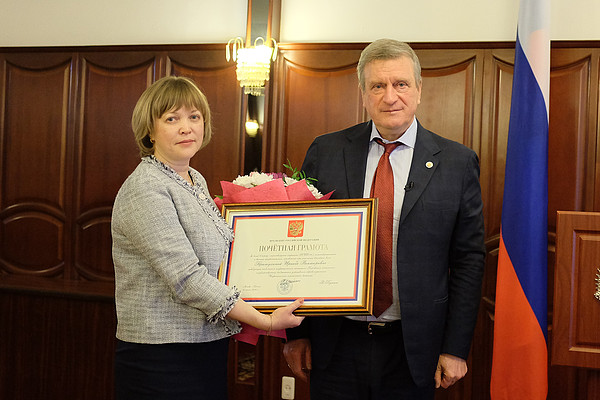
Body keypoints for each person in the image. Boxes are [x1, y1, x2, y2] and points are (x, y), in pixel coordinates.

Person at [283, 39, 486, 399]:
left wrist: (455, 348)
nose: (390, 97)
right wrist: (297, 334)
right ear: (363, 93)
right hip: (335, 343)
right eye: (378, 86)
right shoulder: (326, 151)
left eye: (401, 84)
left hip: (414, 348)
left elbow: (468, 260)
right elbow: (298, 244)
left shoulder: (457, 162)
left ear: (419, 89)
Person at [112, 76, 304, 400]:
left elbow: (222, 257)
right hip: (161, 356)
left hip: (205, 345)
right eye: (171, 119)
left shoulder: (193, 178)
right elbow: (187, 279)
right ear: (149, 130)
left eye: (194, 116)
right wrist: (266, 321)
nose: (186, 127)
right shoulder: (146, 187)